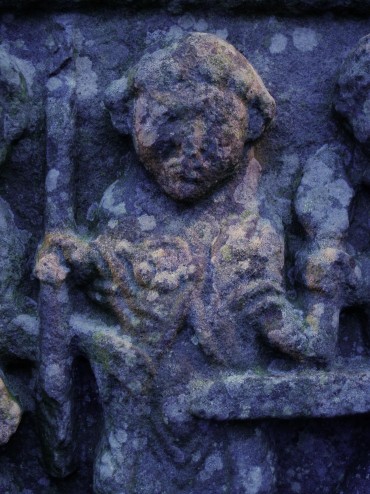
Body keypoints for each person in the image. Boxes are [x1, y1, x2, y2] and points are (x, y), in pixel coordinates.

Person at [35, 33, 333, 493]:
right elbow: (84, 296)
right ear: (130, 117)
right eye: (169, 121)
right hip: (133, 441)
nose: (193, 148)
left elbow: (299, 341)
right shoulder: (116, 224)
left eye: (216, 129)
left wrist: (324, 297)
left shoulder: (249, 237)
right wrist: (72, 274)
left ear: (248, 128)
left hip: (231, 446)